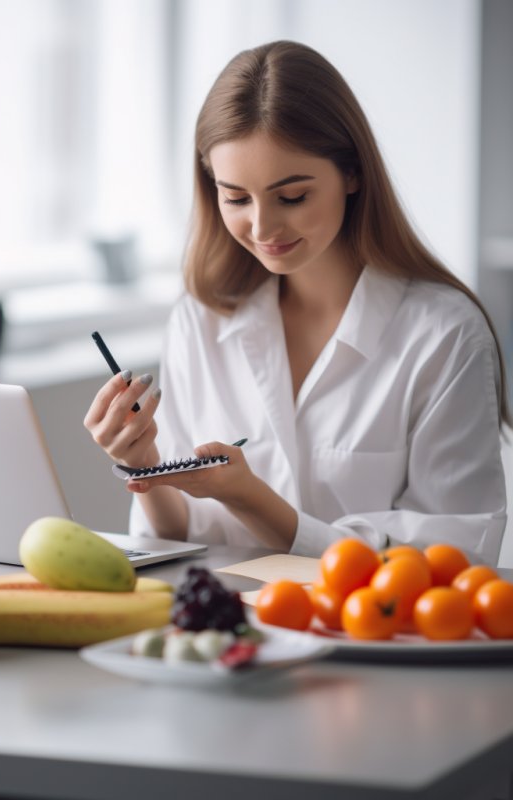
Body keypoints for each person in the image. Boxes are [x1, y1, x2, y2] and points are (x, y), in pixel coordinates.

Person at [83, 40, 509, 566]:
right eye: (236, 198)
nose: (263, 228)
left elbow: (456, 558)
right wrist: (142, 460)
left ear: (352, 172)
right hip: (223, 615)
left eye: (291, 197)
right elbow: (177, 540)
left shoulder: (444, 335)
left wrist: (252, 499)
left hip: (360, 621)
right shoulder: (200, 318)